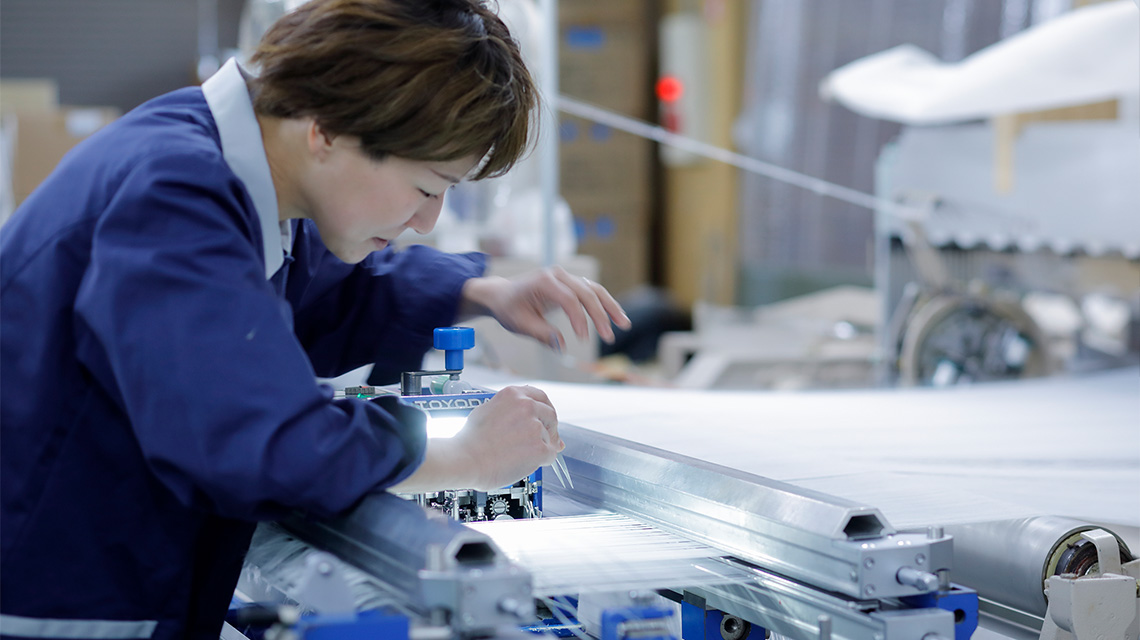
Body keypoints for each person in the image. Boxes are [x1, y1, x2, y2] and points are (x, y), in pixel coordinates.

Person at [0, 0, 631, 636]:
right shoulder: (172, 197)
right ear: (327, 129)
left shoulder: (232, 176)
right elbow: (264, 442)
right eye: (427, 187)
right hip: (53, 606)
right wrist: (465, 457)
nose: (427, 221)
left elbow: (319, 300)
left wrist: (479, 292)